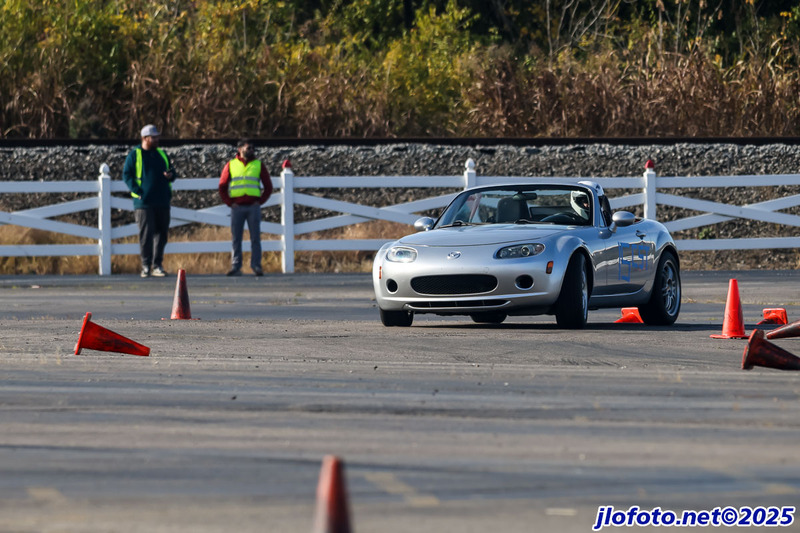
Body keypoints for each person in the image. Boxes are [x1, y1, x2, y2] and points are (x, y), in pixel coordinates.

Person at [122, 124, 176, 277]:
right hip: (144, 203)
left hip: (162, 201)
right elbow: (127, 175)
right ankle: (146, 265)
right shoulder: (135, 155)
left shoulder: (162, 154)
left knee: (162, 234)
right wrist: (138, 192)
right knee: (146, 234)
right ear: (145, 138)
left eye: (158, 136)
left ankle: (157, 265)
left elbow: (173, 172)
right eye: (154, 137)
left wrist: (170, 175)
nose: (157, 139)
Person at [218, 139, 273, 276]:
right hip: (237, 207)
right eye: (248, 148)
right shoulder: (231, 165)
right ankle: (236, 266)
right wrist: (230, 203)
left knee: (255, 238)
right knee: (236, 238)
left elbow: (268, 186)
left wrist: (260, 201)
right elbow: (222, 186)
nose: (251, 150)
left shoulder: (258, 165)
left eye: (253, 148)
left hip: (253, 206)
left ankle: (256, 266)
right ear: (240, 149)